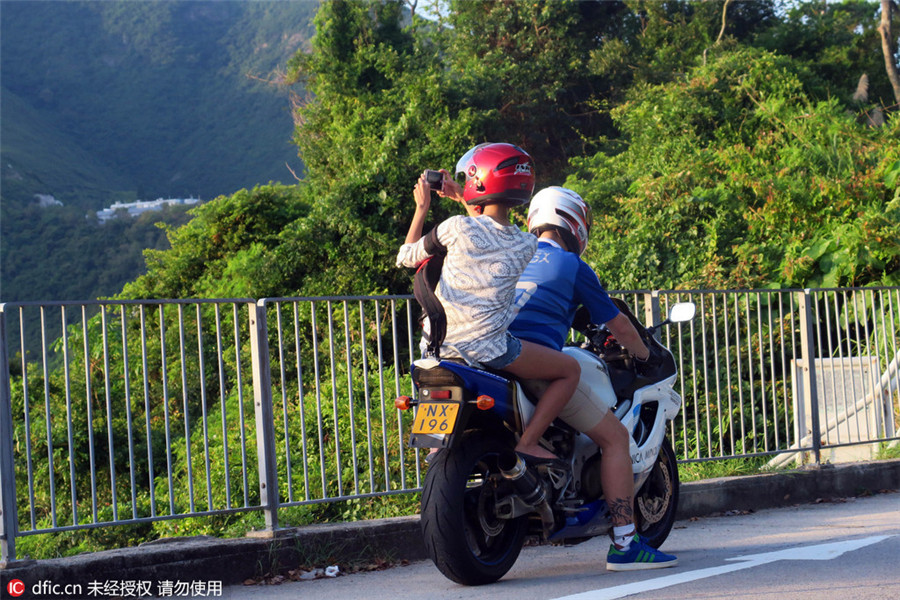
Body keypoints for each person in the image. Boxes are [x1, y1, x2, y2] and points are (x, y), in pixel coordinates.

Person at [508, 185, 678, 570]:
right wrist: (643, 354)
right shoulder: (572, 266)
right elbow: (616, 321)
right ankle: (624, 544)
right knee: (615, 437)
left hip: (489, 357)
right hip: (537, 365)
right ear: (575, 225)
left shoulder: (511, 256)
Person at [396, 143, 580, 462]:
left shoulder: (454, 228)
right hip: (493, 351)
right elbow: (490, 233)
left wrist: (422, 207)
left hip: (437, 349)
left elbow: (406, 258)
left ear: (477, 180)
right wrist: (462, 197)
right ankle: (529, 442)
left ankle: (441, 450)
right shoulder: (526, 244)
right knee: (570, 370)